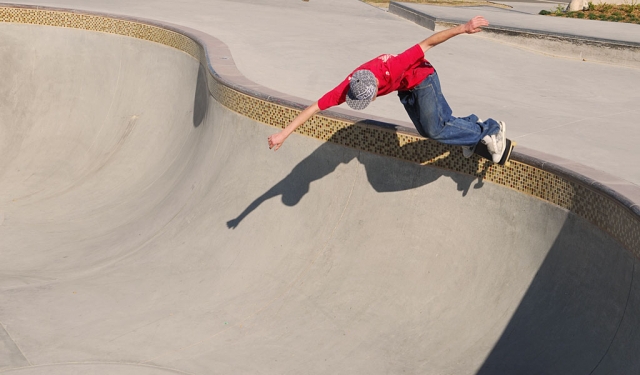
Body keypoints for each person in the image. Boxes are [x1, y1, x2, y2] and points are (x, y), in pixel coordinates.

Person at [268, 16, 506, 163]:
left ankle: (491, 129)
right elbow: (314, 108)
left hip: (423, 78)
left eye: (369, 99)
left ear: (374, 89)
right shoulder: (349, 86)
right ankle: (469, 131)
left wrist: (464, 28)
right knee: (428, 129)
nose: (370, 102)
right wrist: (283, 134)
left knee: (435, 129)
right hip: (405, 89)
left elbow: (429, 43)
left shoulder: (392, 66)